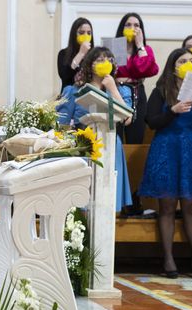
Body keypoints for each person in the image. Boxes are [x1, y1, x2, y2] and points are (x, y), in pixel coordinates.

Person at [138, 48, 192, 279]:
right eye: (182, 61)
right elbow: (152, 121)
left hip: (188, 147)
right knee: (167, 207)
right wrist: (173, 110)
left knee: (190, 206)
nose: (188, 63)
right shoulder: (161, 90)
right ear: (173, 65)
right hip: (166, 148)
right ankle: (168, 259)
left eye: (191, 61)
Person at [57, 46, 133, 212]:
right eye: (99, 60)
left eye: (109, 60)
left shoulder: (122, 90)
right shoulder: (75, 90)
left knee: (107, 203)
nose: (105, 63)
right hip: (84, 146)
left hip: (111, 145)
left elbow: (127, 119)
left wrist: (112, 89)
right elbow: (61, 122)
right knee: (84, 202)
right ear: (90, 64)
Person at [114, 12, 159, 144]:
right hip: (116, 93)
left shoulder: (146, 49)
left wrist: (140, 46)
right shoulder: (114, 47)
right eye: (128, 25)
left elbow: (144, 69)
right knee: (116, 137)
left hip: (137, 94)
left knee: (136, 137)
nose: (132, 28)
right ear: (122, 28)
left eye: (136, 25)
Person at [57, 17, 94, 93]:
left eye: (89, 33)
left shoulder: (94, 54)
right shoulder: (63, 54)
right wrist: (81, 53)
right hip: (69, 97)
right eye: (81, 32)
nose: (86, 35)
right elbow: (65, 77)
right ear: (74, 34)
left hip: (89, 96)